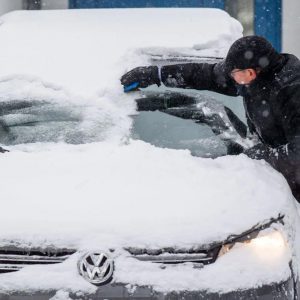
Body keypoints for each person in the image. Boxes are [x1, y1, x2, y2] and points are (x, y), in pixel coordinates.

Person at [120, 36, 300, 202]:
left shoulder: (292, 90)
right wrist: (157, 74)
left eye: (234, 73)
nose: (230, 78)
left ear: (251, 72)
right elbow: (205, 74)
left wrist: (261, 157)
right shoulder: (251, 75)